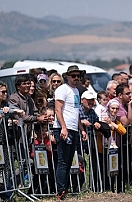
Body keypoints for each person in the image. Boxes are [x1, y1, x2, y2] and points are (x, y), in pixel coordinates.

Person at [53, 65, 88, 200]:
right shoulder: (62, 89)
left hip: (73, 128)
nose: (76, 78)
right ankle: (60, 190)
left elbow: (76, 112)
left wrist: (82, 129)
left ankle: (64, 189)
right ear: (67, 76)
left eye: (78, 76)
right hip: (63, 128)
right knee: (62, 161)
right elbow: (58, 110)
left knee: (68, 161)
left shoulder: (76, 91)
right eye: (73, 76)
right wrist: (63, 127)